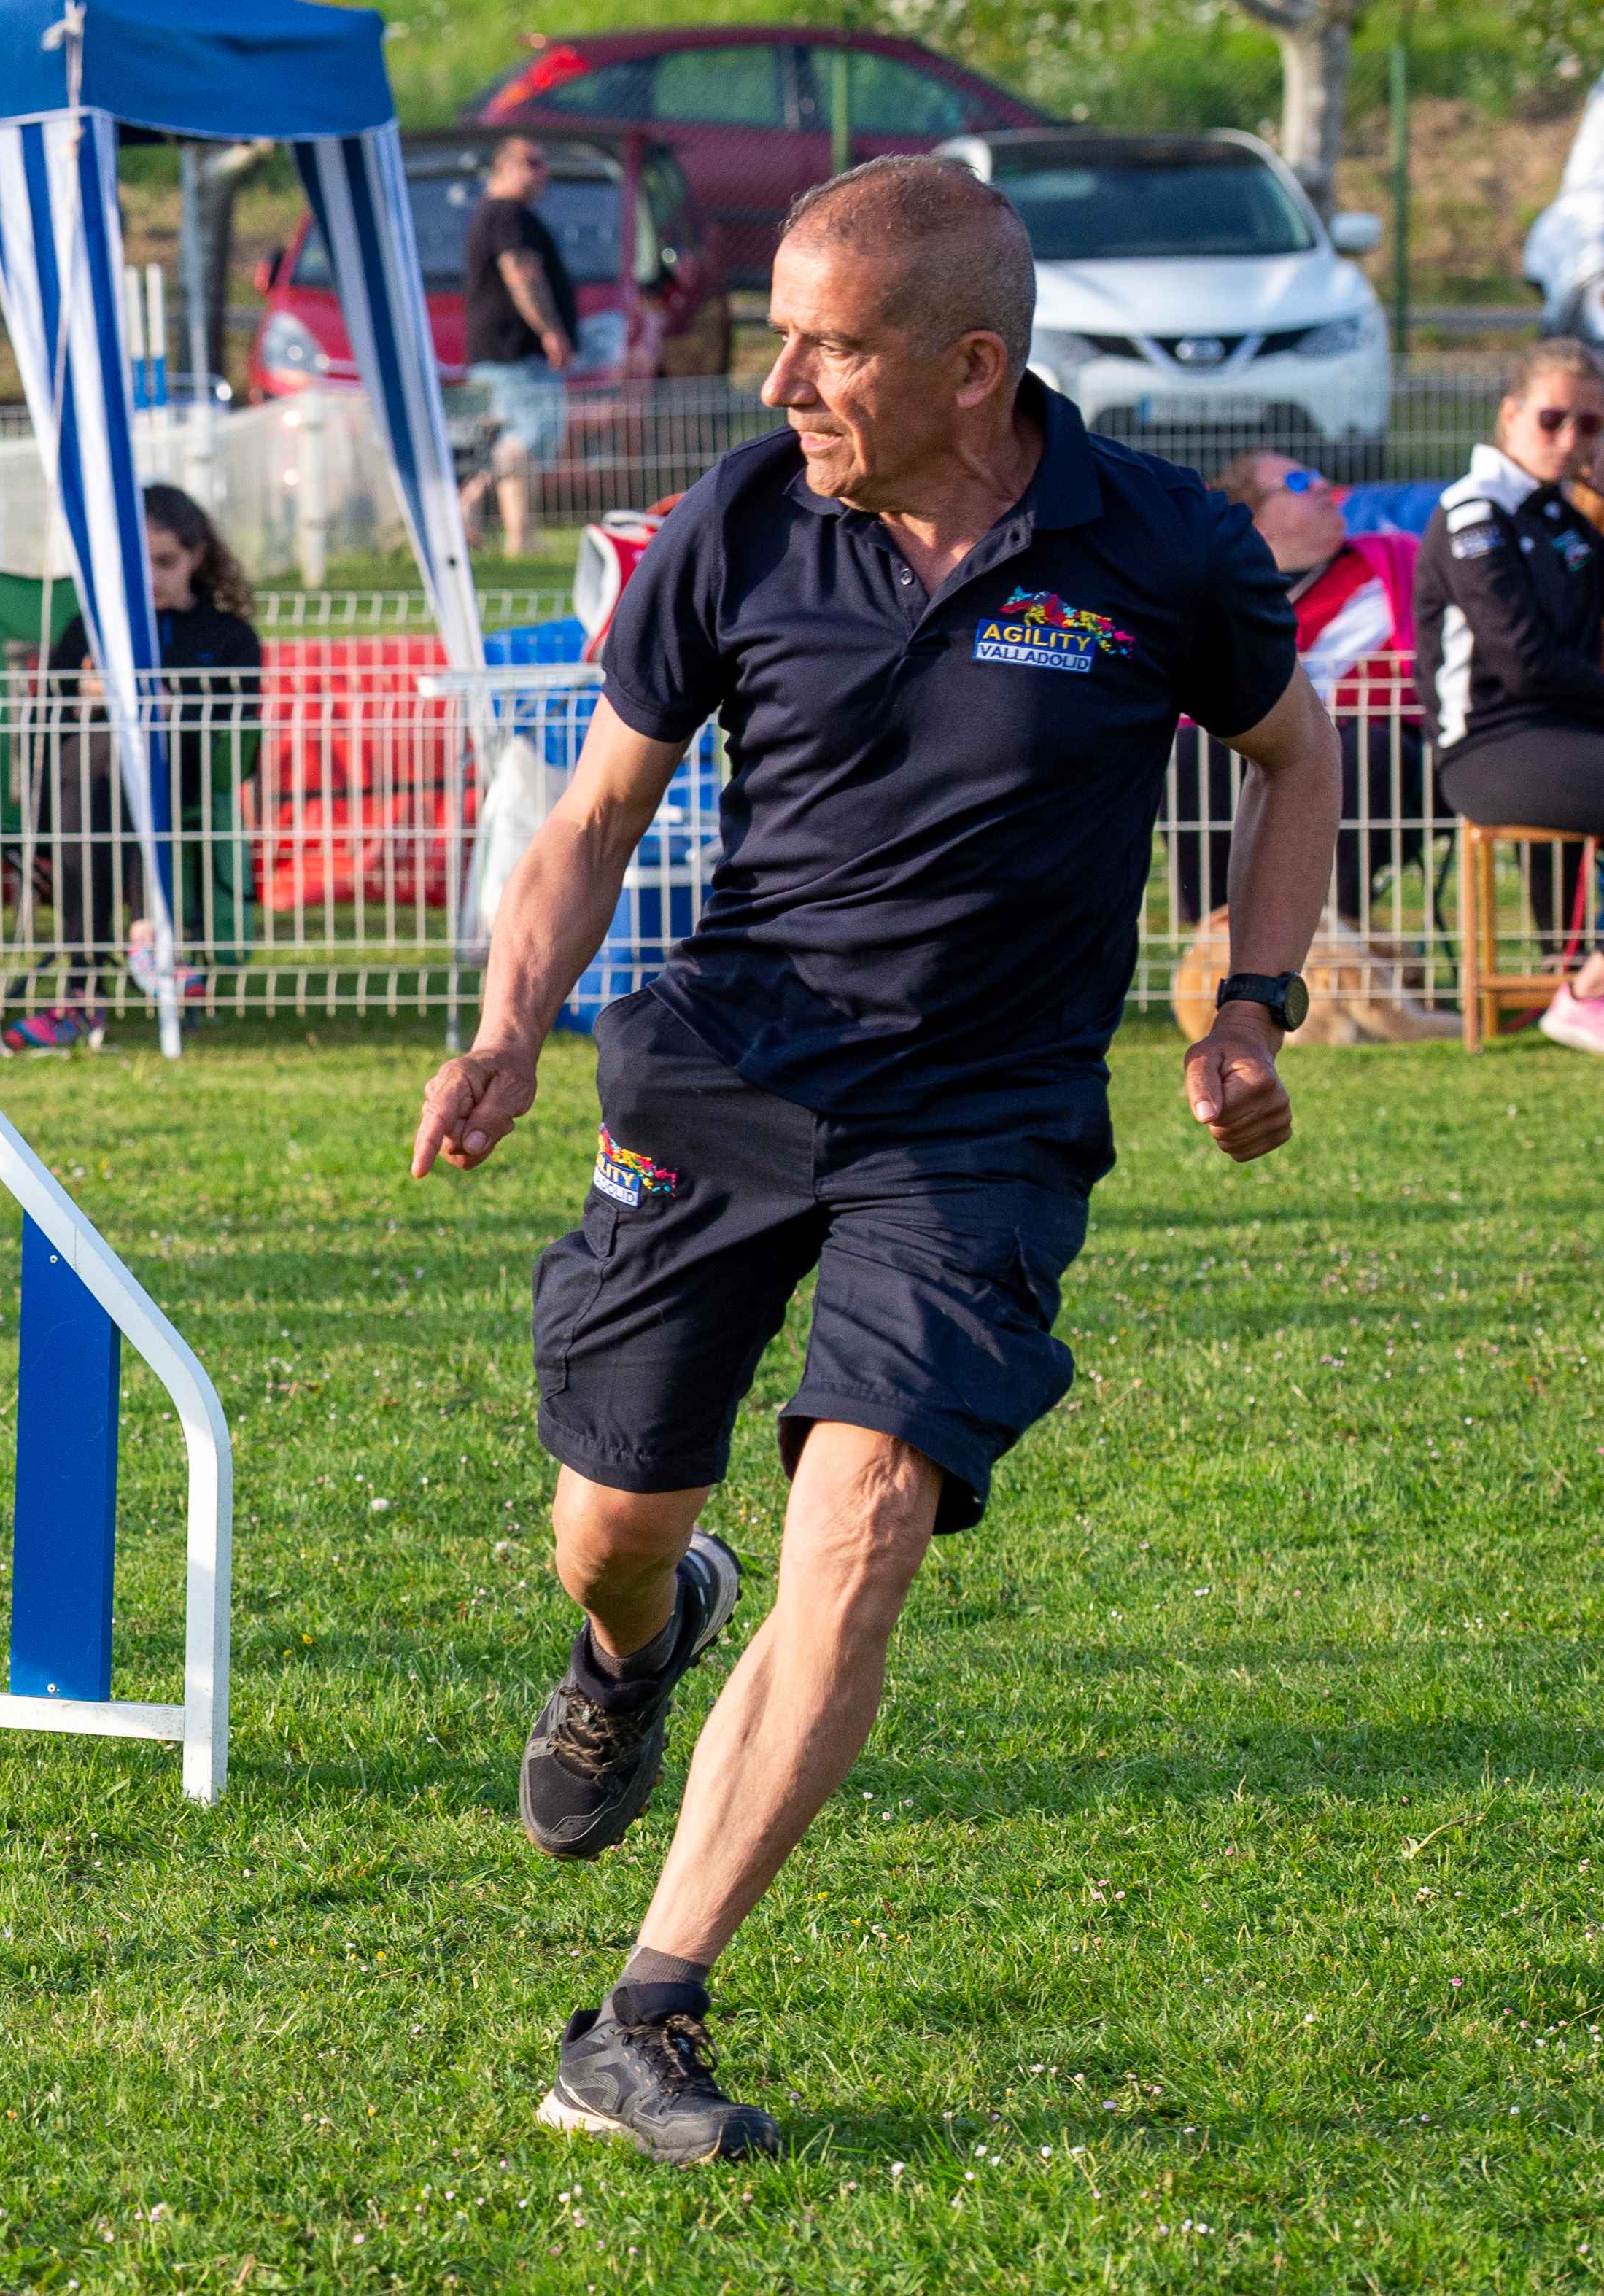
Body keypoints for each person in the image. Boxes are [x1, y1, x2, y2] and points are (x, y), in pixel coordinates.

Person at [408, 158, 1338, 2163]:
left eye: (829, 341)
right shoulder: (740, 522)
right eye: (780, 331)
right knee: (610, 1513)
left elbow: (1294, 752)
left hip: (983, 1117)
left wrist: (1249, 1000)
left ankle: (636, 2017)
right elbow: (590, 811)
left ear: (971, 366)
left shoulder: (1158, 549)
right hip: (727, 1072)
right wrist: (504, 1023)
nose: (782, 376)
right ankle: (629, 1638)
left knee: (869, 1512)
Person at [2, 484, 265, 1052]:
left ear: (197, 557)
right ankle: (147, 933)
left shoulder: (229, 636)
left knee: (123, 746)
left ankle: (82, 990)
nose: (149, 577)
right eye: (134, 562)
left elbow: (242, 727)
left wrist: (179, 708)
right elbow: (46, 715)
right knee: (102, 747)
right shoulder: (90, 627)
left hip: (185, 779)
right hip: (86, 787)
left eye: (165, 561)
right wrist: (85, 693)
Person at [1416, 336, 1604, 1055]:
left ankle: (1580, 981)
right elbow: (1525, 665)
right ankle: (1587, 993)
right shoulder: (1474, 511)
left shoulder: (1560, 515)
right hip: (1489, 747)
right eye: (1553, 420)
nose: (1569, 440)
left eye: (1590, 425)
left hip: (1564, 735)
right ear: (1510, 415)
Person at [1165, 451, 1430, 931]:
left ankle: (1333, 932)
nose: (1327, 485)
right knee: (1190, 750)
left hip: (1378, 744)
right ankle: (1216, 933)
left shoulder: (1397, 559)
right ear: (1254, 517)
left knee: (1370, 747)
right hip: (1250, 743)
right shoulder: (1219, 588)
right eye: (1300, 480)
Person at [459, 138, 578, 562]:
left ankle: (472, 511)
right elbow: (521, 274)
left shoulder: (492, 215)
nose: (542, 172)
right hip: (515, 350)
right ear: (504, 167)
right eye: (532, 163)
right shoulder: (510, 215)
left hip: (499, 351)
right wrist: (551, 330)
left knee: (515, 438)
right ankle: (517, 535)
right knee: (524, 437)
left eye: (544, 163)